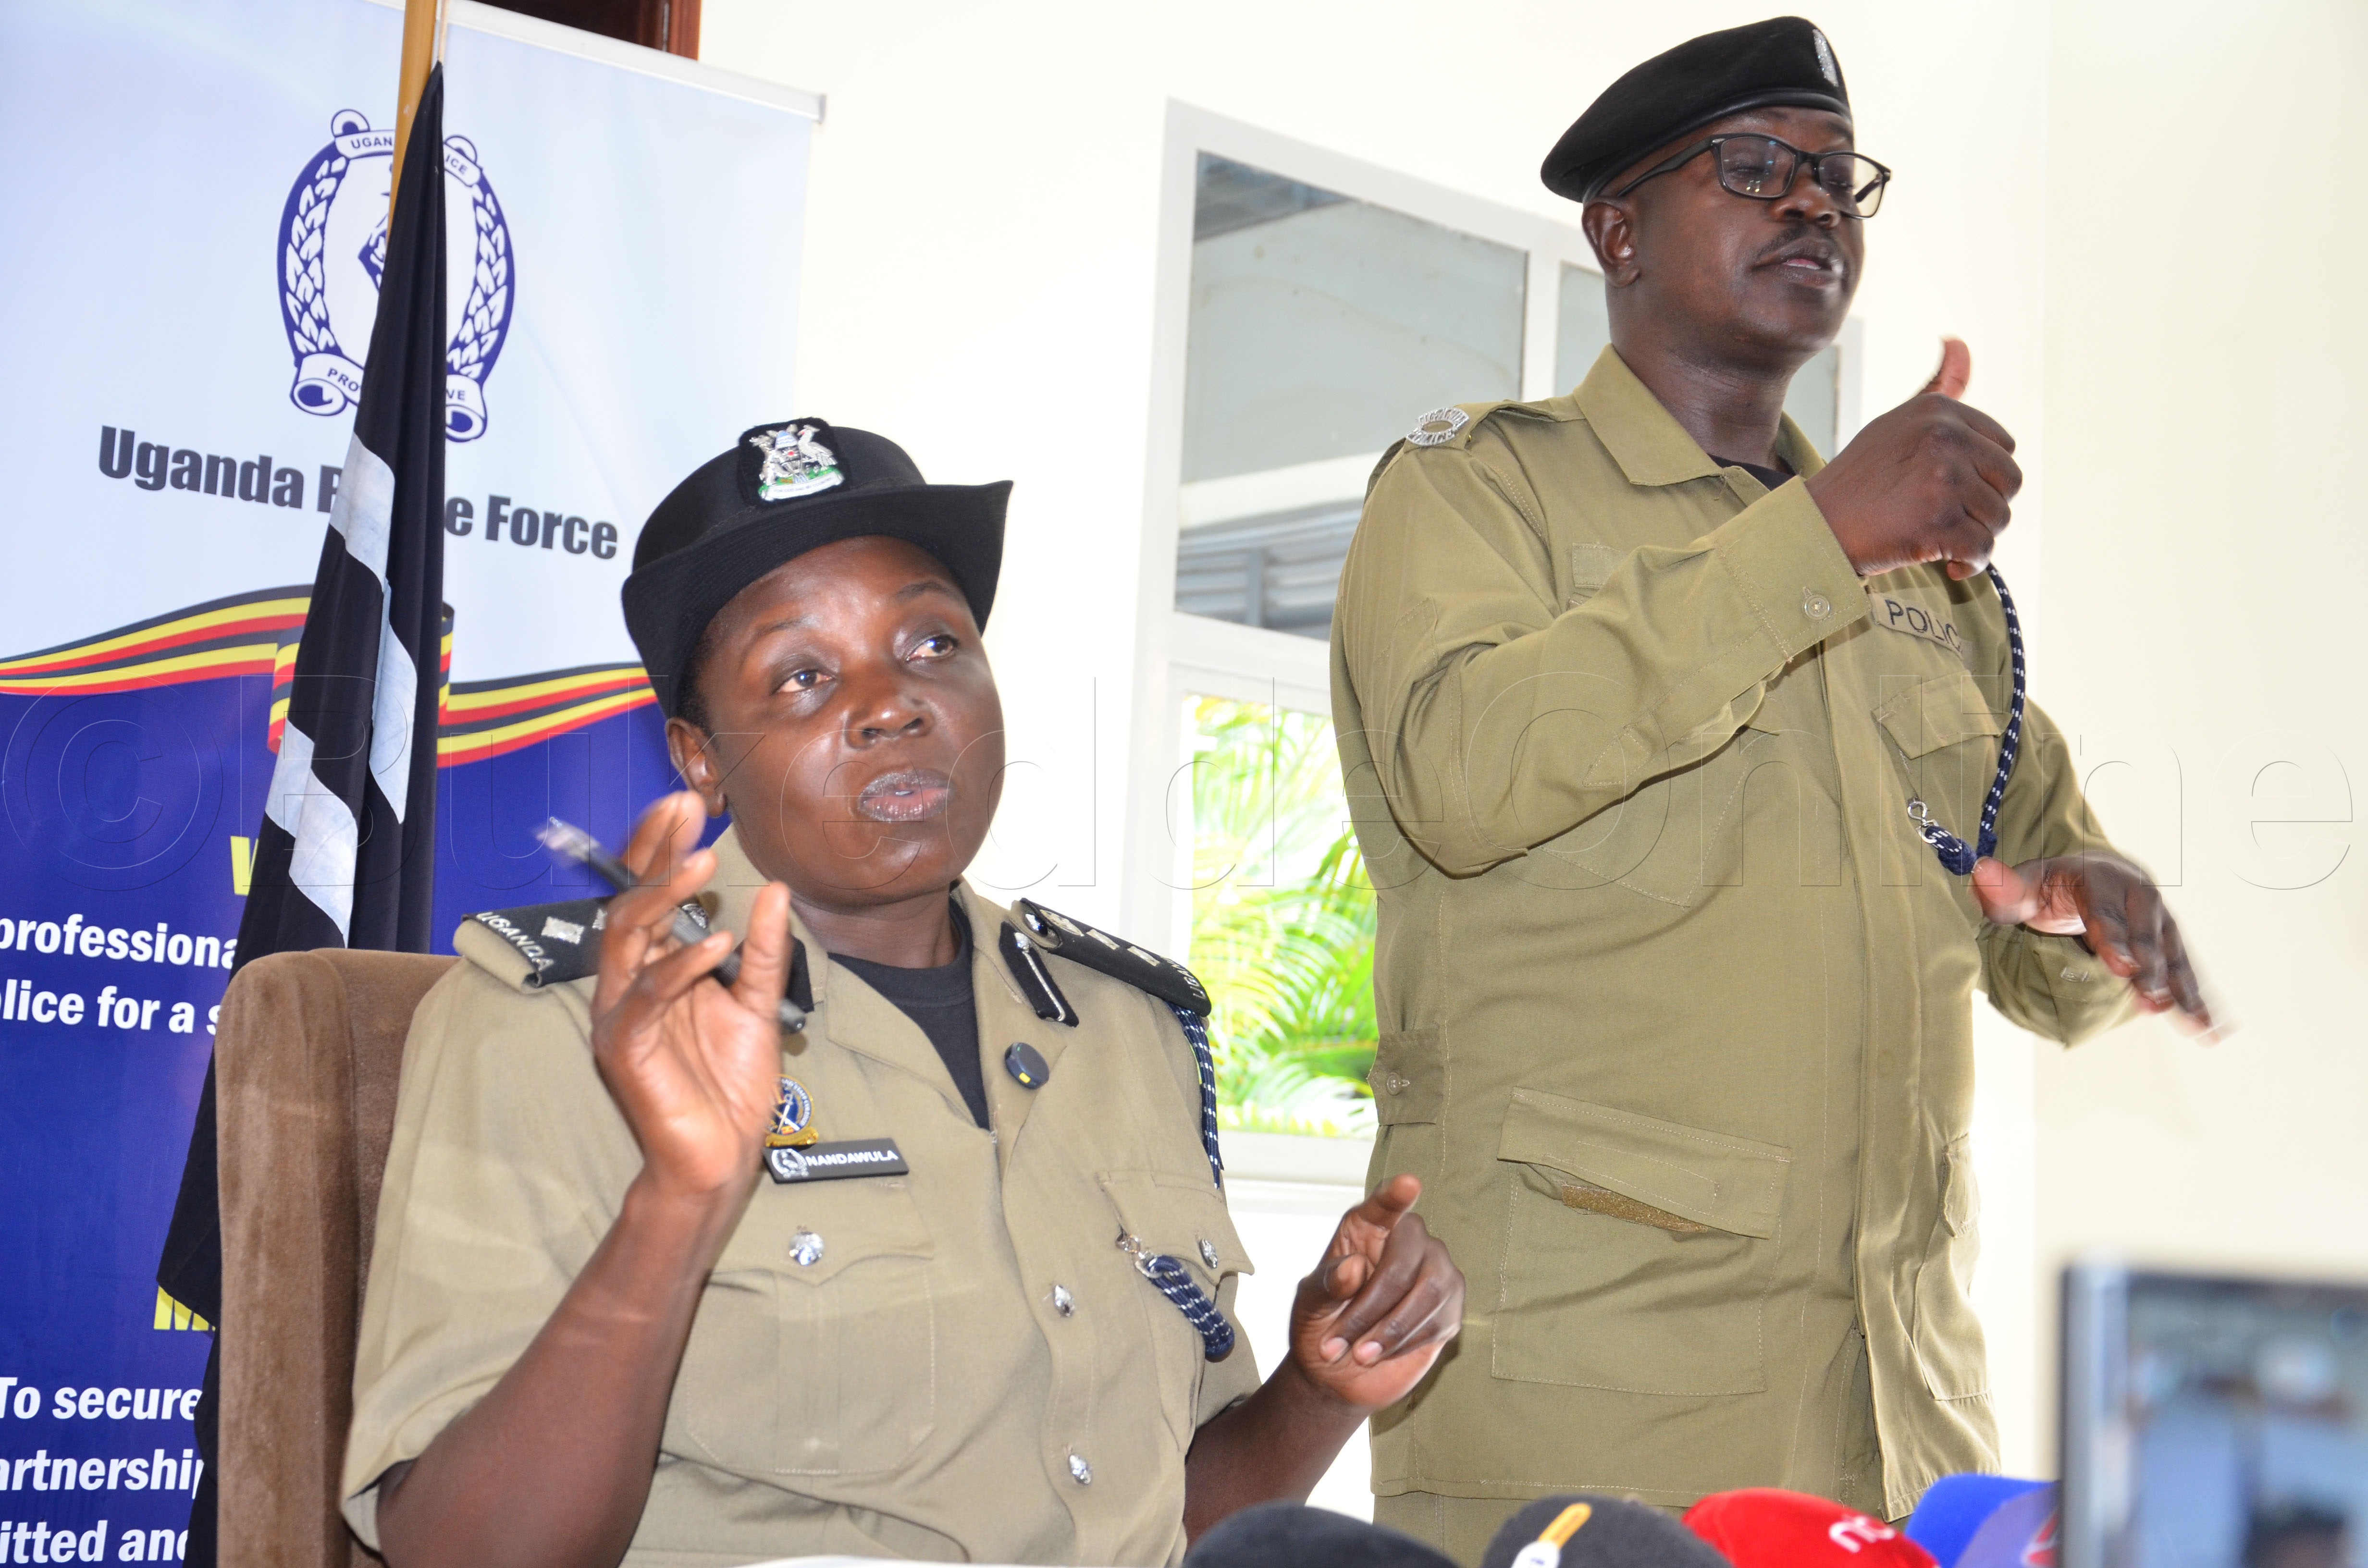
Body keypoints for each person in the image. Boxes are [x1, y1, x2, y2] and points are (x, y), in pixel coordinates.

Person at [1329, 15, 2214, 1557]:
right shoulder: (1481, 490)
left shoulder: (1925, 586)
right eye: (1753, 168)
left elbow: (2032, 926)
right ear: (1619, 231)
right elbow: (1462, 776)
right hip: (1599, 1421)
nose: (1813, 203)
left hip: (1901, 1427)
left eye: (1836, 177)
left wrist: (2092, 915)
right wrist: (1822, 535)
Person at [341, 418, 1466, 1566]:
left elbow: (1151, 1523)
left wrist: (1319, 1389)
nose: (892, 703)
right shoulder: (555, 1025)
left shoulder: (1128, 1026)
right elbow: (461, 1553)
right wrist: (677, 1204)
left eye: (932, 644)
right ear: (698, 756)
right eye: (804, 675)